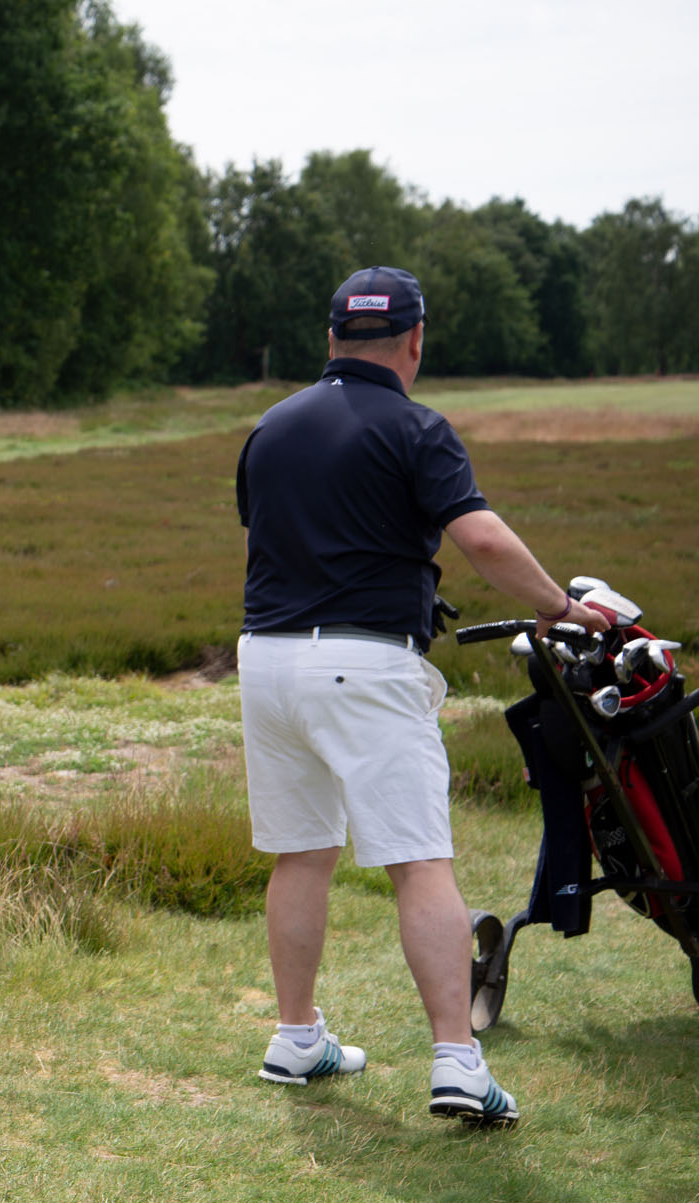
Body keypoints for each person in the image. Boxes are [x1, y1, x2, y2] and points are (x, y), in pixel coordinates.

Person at [235, 266, 604, 1128]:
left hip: (266, 662)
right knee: (420, 860)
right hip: (364, 665)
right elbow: (481, 538)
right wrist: (558, 605)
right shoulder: (417, 426)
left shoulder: (270, 427)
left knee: (301, 852)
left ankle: (296, 1036)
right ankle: (458, 1061)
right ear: (415, 340)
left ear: (331, 338)